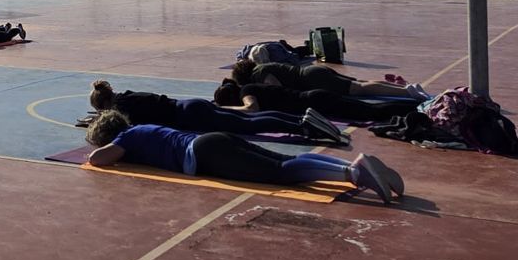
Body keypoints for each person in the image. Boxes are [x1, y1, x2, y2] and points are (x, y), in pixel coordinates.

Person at [84, 112, 404, 204]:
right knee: (280, 160)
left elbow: (99, 160)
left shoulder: (126, 138)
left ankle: (355, 174)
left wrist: (101, 147)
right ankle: (351, 165)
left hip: (205, 154)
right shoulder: (144, 126)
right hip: (212, 142)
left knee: (280, 172)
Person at [86, 80, 343, 145]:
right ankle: (301, 119)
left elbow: (124, 129)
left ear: (103, 106)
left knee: (248, 125)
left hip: (189, 117)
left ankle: (303, 126)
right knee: (248, 118)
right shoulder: (128, 95)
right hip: (189, 105)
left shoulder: (122, 108)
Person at [213, 79, 421, 125]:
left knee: (370, 112)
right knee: (367, 110)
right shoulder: (252, 86)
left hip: (315, 101)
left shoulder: (247, 91)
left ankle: (420, 108)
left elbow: (251, 108)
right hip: (314, 98)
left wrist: (222, 109)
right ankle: (418, 108)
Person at [232, 58, 426, 99]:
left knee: (359, 89)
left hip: (312, 80)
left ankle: (407, 91)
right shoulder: (263, 66)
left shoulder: (259, 73)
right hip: (314, 72)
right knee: (360, 84)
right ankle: (405, 87)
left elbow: (274, 88)